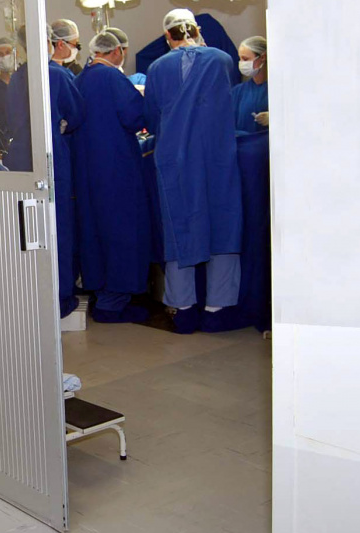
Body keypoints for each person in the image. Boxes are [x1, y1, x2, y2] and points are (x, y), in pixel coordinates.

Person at [144, 9, 243, 334]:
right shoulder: (222, 60)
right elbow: (229, 102)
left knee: (179, 227)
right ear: (196, 29)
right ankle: (217, 311)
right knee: (223, 225)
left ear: (167, 36)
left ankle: (183, 311)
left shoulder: (158, 68)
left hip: (175, 160)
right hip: (217, 156)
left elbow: (151, 116)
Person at [5, 25, 85, 317]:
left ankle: (33, 297)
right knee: (57, 228)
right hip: (52, 159)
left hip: (21, 159)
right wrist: (62, 125)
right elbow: (76, 115)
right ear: (49, 42)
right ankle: (61, 299)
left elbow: (12, 119)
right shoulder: (57, 75)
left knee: (30, 231)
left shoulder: (17, 77)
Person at [74, 31, 152, 324]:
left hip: (87, 172)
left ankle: (102, 294)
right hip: (116, 170)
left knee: (94, 232)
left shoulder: (80, 79)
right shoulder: (112, 78)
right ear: (117, 50)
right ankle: (113, 303)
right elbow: (135, 117)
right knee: (121, 231)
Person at [232, 36, 269, 134]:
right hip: (243, 142)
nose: (242, 63)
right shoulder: (237, 92)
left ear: (263, 57)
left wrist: (274, 118)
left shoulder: (276, 90)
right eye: (240, 59)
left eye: (245, 59)